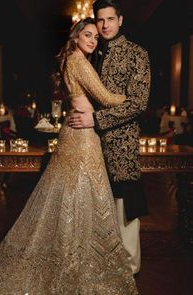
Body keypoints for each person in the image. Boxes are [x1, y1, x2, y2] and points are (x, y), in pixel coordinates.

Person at [0, 18, 138, 294]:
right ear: (75, 37)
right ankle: (72, 258)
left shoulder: (71, 61)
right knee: (80, 193)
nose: (92, 40)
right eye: (87, 34)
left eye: (95, 37)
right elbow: (105, 97)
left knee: (69, 193)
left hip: (75, 131)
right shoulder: (79, 62)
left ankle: (71, 252)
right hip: (82, 136)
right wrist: (134, 100)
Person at [68, 0, 151, 275]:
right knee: (93, 203)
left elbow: (138, 103)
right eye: (100, 20)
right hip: (88, 141)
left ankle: (129, 268)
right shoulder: (90, 51)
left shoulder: (137, 54)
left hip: (121, 141)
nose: (104, 26)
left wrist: (97, 119)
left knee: (124, 202)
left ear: (121, 20)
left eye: (110, 19)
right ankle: (100, 262)